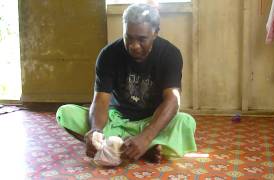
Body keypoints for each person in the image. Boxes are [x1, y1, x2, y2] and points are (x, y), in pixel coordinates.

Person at [56, 3, 197, 163]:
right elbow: (101, 100)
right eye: (128, 37)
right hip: (116, 120)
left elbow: (173, 100)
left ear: (156, 32)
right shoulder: (108, 55)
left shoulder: (170, 54)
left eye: (142, 39)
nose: (134, 46)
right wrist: (96, 130)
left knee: (186, 123)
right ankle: (143, 150)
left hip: (151, 121)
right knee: (65, 113)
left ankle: (119, 147)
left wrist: (146, 136)